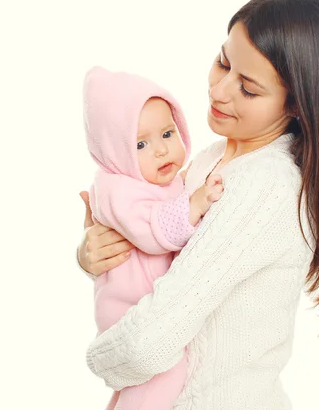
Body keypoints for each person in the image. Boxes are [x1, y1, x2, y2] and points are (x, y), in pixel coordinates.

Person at [77, 0, 319, 410]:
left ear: (296, 105)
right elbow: (159, 264)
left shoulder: (267, 185)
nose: (220, 91)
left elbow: (147, 344)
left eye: (249, 88)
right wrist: (100, 256)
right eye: (223, 62)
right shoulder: (211, 158)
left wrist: (101, 361)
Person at [81, 66, 224, 410]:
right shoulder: (116, 188)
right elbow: (153, 232)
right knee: (165, 377)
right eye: (141, 143)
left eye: (167, 133)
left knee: (140, 388)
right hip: (127, 310)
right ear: (116, 152)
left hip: (149, 308)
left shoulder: (164, 179)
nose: (161, 151)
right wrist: (197, 202)